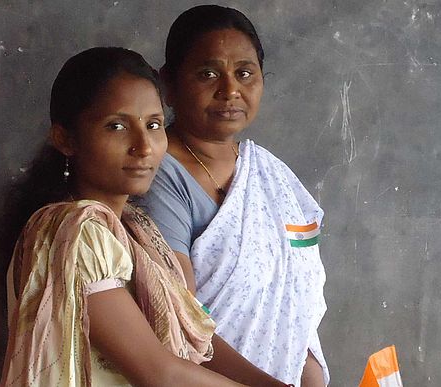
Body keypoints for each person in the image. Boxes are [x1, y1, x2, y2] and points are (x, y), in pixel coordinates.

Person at [0, 46, 289, 387]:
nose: (144, 146)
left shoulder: (140, 232)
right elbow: (158, 372)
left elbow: (198, 341)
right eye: (117, 127)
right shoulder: (75, 232)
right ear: (65, 139)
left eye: (154, 125)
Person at [136, 5, 328, 386]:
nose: (230, 90)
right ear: (169, 84)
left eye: (244, 73)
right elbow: (179, 323)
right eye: (208, 73)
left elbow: (297, 303)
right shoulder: (157, 175)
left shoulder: (273, 177)